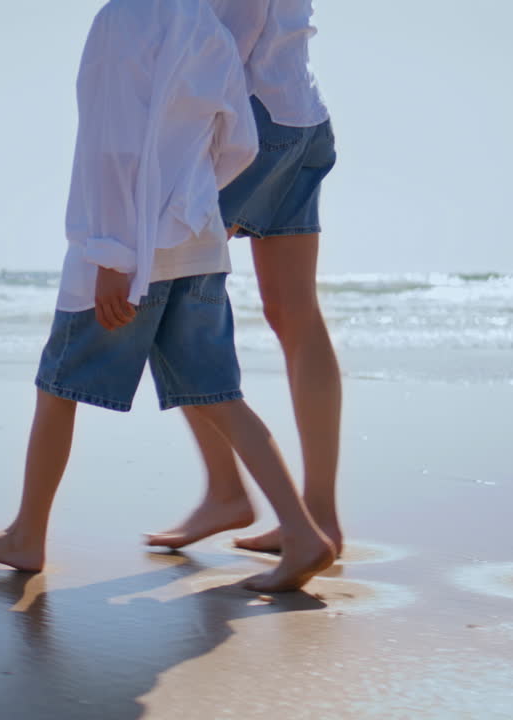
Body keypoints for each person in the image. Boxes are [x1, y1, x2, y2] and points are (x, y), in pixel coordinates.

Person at [0, 0, 336, 592]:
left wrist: (111, 251)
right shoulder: (201, 24)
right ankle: (305, 526)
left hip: (132, 247)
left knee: (58, 386)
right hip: (222, 211)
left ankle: (29, 532)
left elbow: (110, 145)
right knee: (224, 388)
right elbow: (236, 141)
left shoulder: (122, 21)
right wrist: (195, 208)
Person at [146, 0, 344, 555]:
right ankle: (319, 515)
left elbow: (225, 35)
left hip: (250, 118)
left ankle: (226, 490)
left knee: (167, 291)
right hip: (303, 113)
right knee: (296, 314)